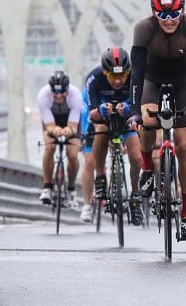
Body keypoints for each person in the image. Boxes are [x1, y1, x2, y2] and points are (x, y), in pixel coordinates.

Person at [128, 0, 186, 241]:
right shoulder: (143, 29)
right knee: (148, 120)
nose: (169, 20)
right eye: (162, 15)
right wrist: (134, 112)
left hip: (185, 81)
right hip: (152, 79)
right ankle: (148, 166)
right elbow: (137, 74)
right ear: (154, 14)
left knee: (184, 145)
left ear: (183, 10)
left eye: (174, 14)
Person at [86, 47, 144, 226]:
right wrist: (101, 110)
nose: (118, 81)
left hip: (127, 118)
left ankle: (135, 196)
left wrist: (130, 110)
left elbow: (142, 108)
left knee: (136, 158)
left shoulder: (136, 76)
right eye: (113, 76)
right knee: (100, 132)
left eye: (122, 76)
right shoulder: (94, 78)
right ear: (104, 72)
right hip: (104, 118)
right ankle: (100, 177)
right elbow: (92, 114)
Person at [37, 71, 83, 208]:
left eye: (62, 92)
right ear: (50, 90)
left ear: (67, 89)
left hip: (71, 120)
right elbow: (49, 125)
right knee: (49, 147)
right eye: (55, 93)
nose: (58, 96)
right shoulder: (42, 96)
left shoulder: (76, 96)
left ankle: (71, 189)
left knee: (72, 154)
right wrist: (54, 130)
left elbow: (73, 126)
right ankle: (47, 187)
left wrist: (69, 130)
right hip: (53, 119)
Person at [79, 86, 96, 221]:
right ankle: (86, 204)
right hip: (92, 126)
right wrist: (83, 135)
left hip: (115, 123)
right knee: (90, 161)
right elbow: (84, 115)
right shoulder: (87, 92)